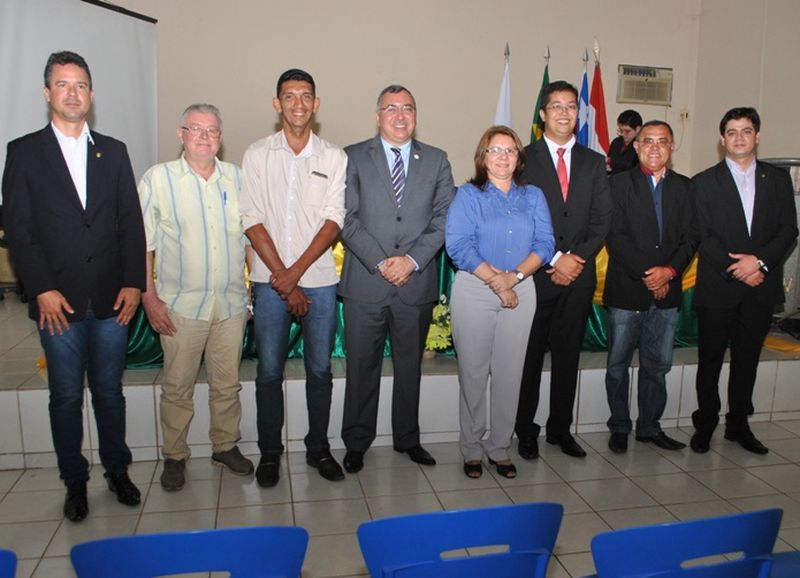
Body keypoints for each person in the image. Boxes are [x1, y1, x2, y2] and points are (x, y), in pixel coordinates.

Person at [2, 51, 145, 521]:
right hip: (55, 301)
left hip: (110, 298)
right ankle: (74, 479)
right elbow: (19, 229)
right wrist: (39, 286)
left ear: (91, 94)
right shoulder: (24, 152)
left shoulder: (114, 150)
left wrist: (133, 283)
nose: (72, 92)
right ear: (48, 93)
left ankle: (117, 470)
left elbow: (130, 222)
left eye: (80, 84)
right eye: (62, 84)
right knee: (64, 396)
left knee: (109, 391)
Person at [339, 85, 454, 473]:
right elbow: (346, 218)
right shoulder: (352, 157)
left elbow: (443, 220)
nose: (400, 115)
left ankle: (408, 439)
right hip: (367, 282)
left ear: (416, 116)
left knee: (410, 368)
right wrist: (382, 262)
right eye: (391, 108)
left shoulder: (437, 160)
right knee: (361, 367)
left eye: (408, 108)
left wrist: (411, 261)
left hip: (415, 283)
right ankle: (356, 442)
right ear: (377, 116)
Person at [240, 69, 347, 487]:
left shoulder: (334, 157)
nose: (298, 104)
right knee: (269, 372)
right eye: (289, 96)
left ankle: (318, 448)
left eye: (306, 96)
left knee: (320, 370)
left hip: (318, 280)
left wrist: (295, 276)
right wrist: (282, 278)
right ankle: (270, 453)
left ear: (316, 104)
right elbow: (252, 219)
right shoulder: (256, 154)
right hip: (269, 281)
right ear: (276, 103)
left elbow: (333, 221)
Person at [139, 104, 252, 491]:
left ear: (221, 137)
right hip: (180, 307)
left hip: (231, 305)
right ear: (180, 133)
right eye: (196, 129)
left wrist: (251, 289)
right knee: (177, 387)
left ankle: (225, 445)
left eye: (213, 131)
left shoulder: (236, 178)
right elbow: (143, 245)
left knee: (227, 384)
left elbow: (249, 236)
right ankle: (175, 455)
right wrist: (149, 298)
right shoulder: (158, 179)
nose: (205, 137)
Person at [446, 126, 554, 479]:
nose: (503, 156)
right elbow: (458, 246)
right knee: (474, 374)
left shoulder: (534, 196)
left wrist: (514, 279)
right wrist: (497, 281)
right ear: (483, 157)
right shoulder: (468, 195)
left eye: (510, 150)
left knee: (510, 375)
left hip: (521, 289)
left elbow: (545, 244)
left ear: (519, 157)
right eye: (495, 150)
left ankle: (499, 448)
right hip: (476, 288)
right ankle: (472, 448)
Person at [690, 107, 798, 455]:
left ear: (757, 136)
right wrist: (740, 268)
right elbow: (701, 236)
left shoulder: (778, 180)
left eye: (746, 131)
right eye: (732, 131)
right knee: (709, 361)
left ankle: (739, 425)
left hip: (760, 287)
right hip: (719, 286)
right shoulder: (703, 182)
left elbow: (788, 230)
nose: (739, 137)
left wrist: (760, 263)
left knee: (747, 360)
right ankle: (705, 424)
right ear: (722, 140)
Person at [515, 80, 612, 459]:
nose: (563, 113)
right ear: (542, 115)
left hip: (580, 275)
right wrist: (556, 259)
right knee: (530, 357)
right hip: (537, 275)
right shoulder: (524, 158)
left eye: (570, 106)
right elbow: (521, 220)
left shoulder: (593, 161)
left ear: (578, 113)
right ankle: (525, 429)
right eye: (555, 106)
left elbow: (602, 220)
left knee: (569, 356)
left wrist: (576, 259)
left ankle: (560, 429)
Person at [603, 120, 697, 454]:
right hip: (628, 289)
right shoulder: (617, 185)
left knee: (657, 366)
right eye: (648, 141)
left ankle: (648, 427)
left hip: (668, 292)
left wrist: (668, 272)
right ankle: (619, 426)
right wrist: (650, 274)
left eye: (663, 141)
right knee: (618, 366)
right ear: (637, 146)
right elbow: (615, 236)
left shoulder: (686, 188)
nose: (655, 147)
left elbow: (690, 237)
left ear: (672, 147)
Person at [607, 109, 643, 175]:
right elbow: (609, 162)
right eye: (621, 131)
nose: (623, 134)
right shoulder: (616, 142)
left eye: (627, 131)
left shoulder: (643, 145)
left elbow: (631, 166)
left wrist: (612, 163)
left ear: (638, 129)